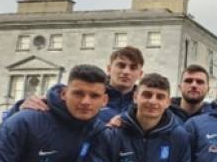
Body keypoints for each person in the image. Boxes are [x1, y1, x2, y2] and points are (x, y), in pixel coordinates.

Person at [11, 46, 145, 123]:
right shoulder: (81, 96)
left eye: (133, 68)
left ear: (140, 74)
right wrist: (19, 108)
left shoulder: (146, 104)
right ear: (109, 69)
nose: (126, 71)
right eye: (121, 65)